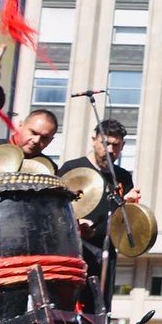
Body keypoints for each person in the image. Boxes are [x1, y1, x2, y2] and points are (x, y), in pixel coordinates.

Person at [59, 119, 141, 305]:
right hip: (76, 249)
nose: (111, 150)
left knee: (100, 305)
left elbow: (125, 219)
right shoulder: (72, 168)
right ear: (94, 140)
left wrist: (129, 204)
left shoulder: (122, 177)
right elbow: (56, 210)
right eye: (106, 144)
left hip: (106, 251)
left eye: (116, 145)